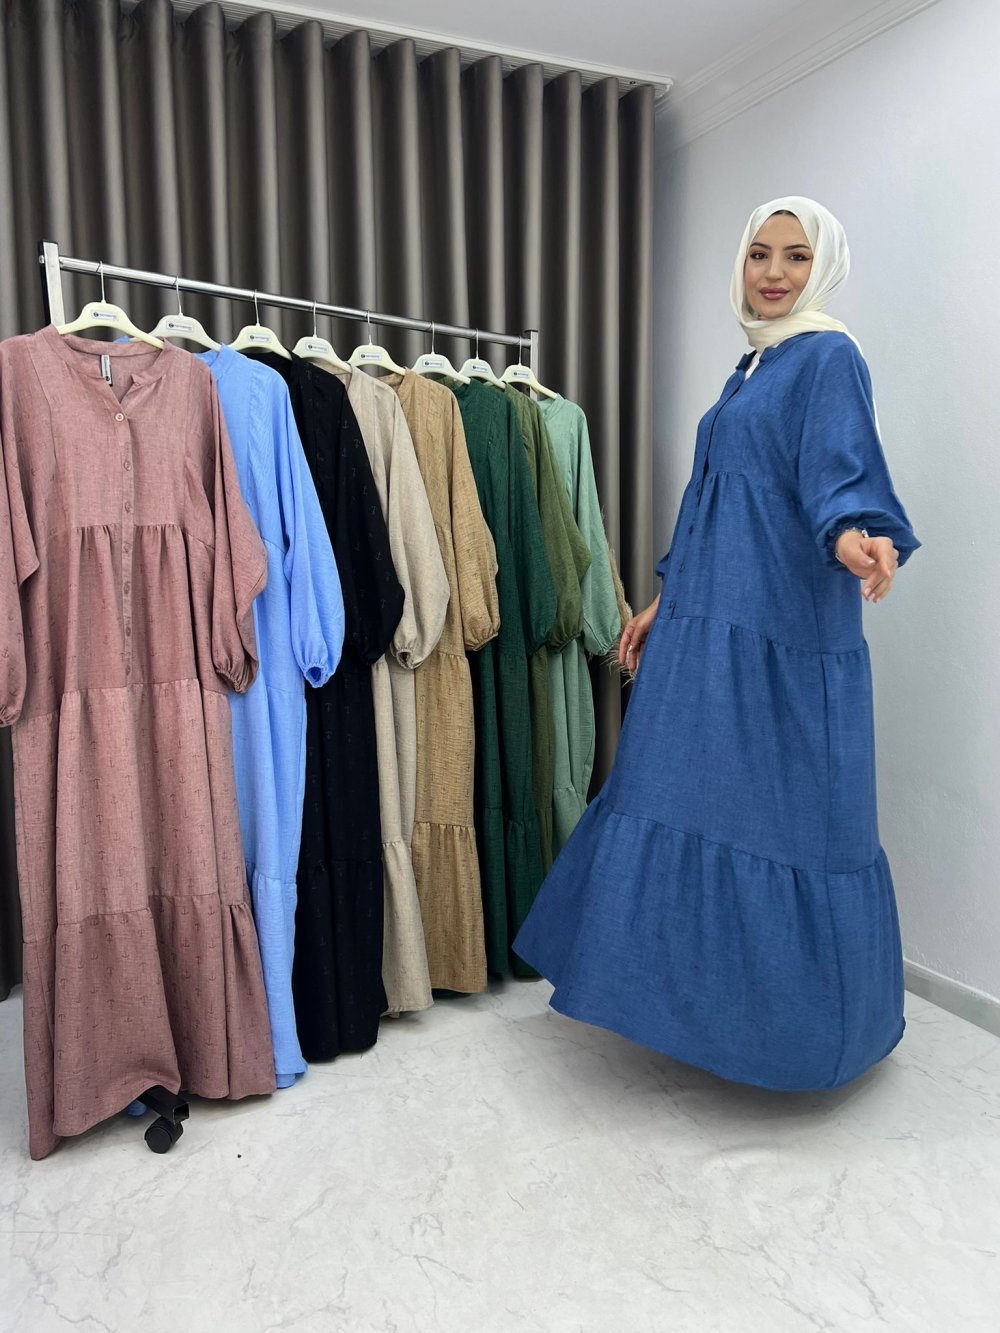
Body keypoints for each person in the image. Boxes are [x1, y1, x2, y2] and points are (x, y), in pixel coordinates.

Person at [513, 196, 920, 1091]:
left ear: (825, 266)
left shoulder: (828, 356)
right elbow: (719, 494)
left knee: (786, 818)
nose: (773, 272)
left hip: (779, 630)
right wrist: (668, 596)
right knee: (682, 794)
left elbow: (839, 468)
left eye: (796, 256)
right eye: (759, 254)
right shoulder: (751, 366)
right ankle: (685, 1008)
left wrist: (856, 532)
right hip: (708, 622)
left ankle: (805, 1036)